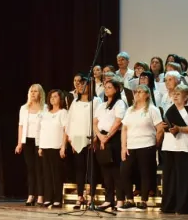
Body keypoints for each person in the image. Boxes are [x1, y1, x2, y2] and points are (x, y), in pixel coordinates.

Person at [119, 84, 163, 210]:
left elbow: (160, 129)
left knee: (145, 173)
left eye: (140, 92)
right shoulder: (130, 110)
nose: (137, 94)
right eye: (136, 91)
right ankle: (129, 199)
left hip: (147, 144)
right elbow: (124, 129)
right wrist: (123, 147)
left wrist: (155, 144)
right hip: (131, 146)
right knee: (125, 172)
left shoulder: (152, 110)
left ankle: (143, 200)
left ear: (147, 94)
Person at [161, 85, 188, 214]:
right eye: (174, 94)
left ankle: (183, 207)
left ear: (186, 96)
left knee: (183, 178)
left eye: (178, 94)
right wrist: (164, 126)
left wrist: (179, 129)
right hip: (169, 145)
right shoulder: (169, 109)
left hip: (184, 146)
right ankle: (168, 206)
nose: (175, 96)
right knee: (169, 178)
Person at [67, 74, 100, 207]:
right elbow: (70, 121)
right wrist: (71, 139)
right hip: (77, 139)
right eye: (79, 84)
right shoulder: (75, 102)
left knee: (91, 169)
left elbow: (98, 120)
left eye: (83, 84)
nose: (81, 86)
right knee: (79, 169)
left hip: (90, 138)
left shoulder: (96, 101)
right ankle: (80, 196)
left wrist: (96, 137)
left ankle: (91, 196)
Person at [93, 78, 126, 211]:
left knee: (116, 170)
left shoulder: (119, 103)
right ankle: (108, 200)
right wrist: (100, 136)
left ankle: (120, 199)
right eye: (105, 87)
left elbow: (118, 122)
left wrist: (106, 137)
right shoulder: (101, 105)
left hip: (114, 138)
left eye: (110, 87)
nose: (106, 90)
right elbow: (95, 122)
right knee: (105, 170)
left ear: (116, 89)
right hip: (101, 138)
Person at [15, 84, 46, 206]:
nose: (33, 93)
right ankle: (31, 195)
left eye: (35, 91)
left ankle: (41, 195)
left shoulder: (45, 108)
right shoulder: (24, 108)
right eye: (31, 91)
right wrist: (19, 143)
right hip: (27, 141)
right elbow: (21, 126)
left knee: (39, 169)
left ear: (40, 94)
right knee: (31, 169)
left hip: (40, 142)